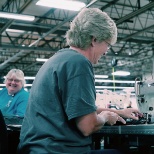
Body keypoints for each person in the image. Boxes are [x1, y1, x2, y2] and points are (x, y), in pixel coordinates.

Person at [17, 8, 142, 154]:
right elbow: (87, 126)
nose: (107, 51)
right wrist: (104, 117)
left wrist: (119, 112)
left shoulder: (58, 60)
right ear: (94, 39)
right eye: (107, 44)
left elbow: (81, 108)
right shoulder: (79, 63)